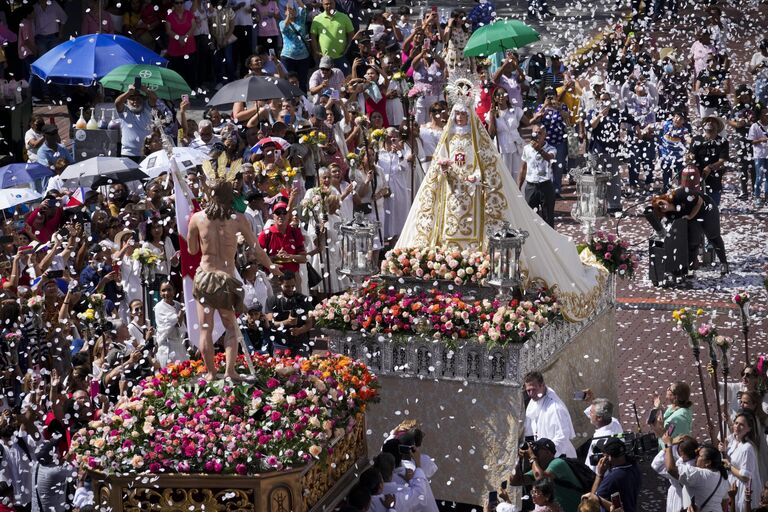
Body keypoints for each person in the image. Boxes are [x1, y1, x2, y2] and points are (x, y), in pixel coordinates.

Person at [396, 78, 601, 322]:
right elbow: (440, 160)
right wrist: (444, 167)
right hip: (452, 194)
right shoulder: (448, 138)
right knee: (449, 226)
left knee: (475, 226)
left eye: (463, 113)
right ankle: (448, 255)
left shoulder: (476, 138)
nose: (460, 118)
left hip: (472, 194)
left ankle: (477, 258)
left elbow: (487, 166)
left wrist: (474, 177)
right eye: (457, 114)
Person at [187, 176, 280, 381]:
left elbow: (192, 250)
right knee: (230, 327)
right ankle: (229, 371)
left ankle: (211, 373)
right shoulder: (238, 219)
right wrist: (272, 267)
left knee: (206, 328)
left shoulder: (197, 218)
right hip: (225, 278)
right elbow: (256, 248)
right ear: (230, 196)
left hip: (204, 276)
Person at [651, 187, 729, 276]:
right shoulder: (670, 215)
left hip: (707, 209)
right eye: (660, 208)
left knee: (713, 237)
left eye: (660, 203)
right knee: (692, 242)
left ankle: (724, 263)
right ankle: (690, 269)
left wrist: (691, 216)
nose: (662, 206)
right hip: (693, 219)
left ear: (663, 198)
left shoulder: (680, 194)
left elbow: (699, 201)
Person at [508, 438, 582, 512]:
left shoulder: (558, 463)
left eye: (537, 449)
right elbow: (515, 481)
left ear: (548, 452)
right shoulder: (540, 469)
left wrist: (532, 457)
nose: (534, 452)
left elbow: (542, 481)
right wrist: (519, 459)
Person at [662, 438, 729, 512]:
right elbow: (724, 504)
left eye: (699, 456)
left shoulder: (700, 475)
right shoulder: (723, 476)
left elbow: (671, 469)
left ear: (708, 462)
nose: (696, 457)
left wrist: (668, 445)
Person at [523, 371, 577, 458]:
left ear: (542, 385)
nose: (531, 394)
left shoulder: (555, 408)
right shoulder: (534, 402)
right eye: (528, 390)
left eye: (534, 389)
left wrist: (545, 454)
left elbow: (562, 438)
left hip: (561, 458)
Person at [265, 271, 313, 355]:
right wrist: (286, 322)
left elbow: (310, 323)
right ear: (280, 284)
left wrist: (299, 330)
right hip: (280, 344)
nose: (290, 289)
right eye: (287, 286)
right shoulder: (272, 300)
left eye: (293, 286)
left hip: (300, 343)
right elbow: (269, 324)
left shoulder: (303, 299)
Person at [724, 411, 763, 511]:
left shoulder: (747, 448)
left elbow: (745, 476)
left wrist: (729, 466)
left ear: (749, 429)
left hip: (742, 489)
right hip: (733, 486)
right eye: (736, 423)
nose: (737, 426)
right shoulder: (733, 440)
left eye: (741, 425)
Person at [518, 125, 556, 227]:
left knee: (548, 218)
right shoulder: (527, 148)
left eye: (540, 133)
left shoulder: (551, 148)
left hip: (546, 186)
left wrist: (540, 149)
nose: (537, 135)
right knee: (530, 218)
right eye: (535, 133)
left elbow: (550, 158)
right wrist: (518, 187)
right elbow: (523, 168)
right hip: (531, 186)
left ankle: (549, 241)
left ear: (545, 135)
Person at [590, 437, 642, 512]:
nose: (601, 455)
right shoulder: (634, 467)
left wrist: (599, 475)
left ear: (609, 457)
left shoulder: (612, 478)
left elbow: (592, 500)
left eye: (603, 452)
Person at [487, 87, 527, 180]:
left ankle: (518, 192)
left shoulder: (515, 110)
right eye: (498, 95)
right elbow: (491, 133)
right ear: (495, 98)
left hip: (515, 144)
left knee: (517, 172)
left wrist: (539, 113)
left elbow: (527, 122)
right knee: (505, 173)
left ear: (507, 96)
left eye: (503, 94)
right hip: (502, 145)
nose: (501, 97)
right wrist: (492, 117)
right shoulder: (492, 113)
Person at [651, 435, 699, 512]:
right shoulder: (699, 463)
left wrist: (669, 445)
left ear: (682, 453)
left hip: (680, 498)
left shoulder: (682, 467)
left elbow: (656, 465)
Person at [690, 116, 729, 206]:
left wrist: (710, 167)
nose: (710, 123)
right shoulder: (696, 139)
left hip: (714, 180)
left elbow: (722, 160)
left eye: (713, 121)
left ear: (718, 126)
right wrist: (689, 157)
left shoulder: (722, 141)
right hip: (697, 179)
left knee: (713, 207)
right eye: (707, 121)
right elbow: (691, 154)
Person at [115, 84, 158, 162]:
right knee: (129, 175)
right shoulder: (125, 110)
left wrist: (145, 90)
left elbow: (154, 98)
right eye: (132, 99)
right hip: (128, 153)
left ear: (142, 100)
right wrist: (128, 92)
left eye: (138, 99)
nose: (135, 102)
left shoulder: (147, 108)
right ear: (127, 101)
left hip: (146, 153)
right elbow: (117, 103)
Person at [310, 0, 355, 72]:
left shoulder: (344, 17)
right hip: (324, 58)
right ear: (322, 5)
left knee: (344, 80)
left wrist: (347, 48)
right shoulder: (317, 19)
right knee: (325, 81)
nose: (329, 6)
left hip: (340, 57)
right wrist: (316, 51)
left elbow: (351, 34)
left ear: (335, 4)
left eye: (331, 3)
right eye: (326, 4)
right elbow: (313, 36)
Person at [583, 396, 623, 473]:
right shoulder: (615, 422)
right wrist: (592, 400)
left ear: (599, 418)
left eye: (591, 412)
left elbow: (593, 469)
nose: (589, 414)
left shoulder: (598, 441)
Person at [153, 281, 187, 367]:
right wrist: (182, 311)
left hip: (180, 346)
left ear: (174, 291)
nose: (166, 293)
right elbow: (176, 323)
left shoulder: (178, 305)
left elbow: (182, 324)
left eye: (169, 290)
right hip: (167, 346)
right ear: (160, 293)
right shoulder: (159, 307)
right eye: (163, 290)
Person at [747, 105, 768, 208]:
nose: (766, 114)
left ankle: (767, 197)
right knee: (759, 177)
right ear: (760, 115)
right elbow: (751, 141)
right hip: (759, 155)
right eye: (764, 113)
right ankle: (757, 197)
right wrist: (761, 140)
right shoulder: (755, 126)